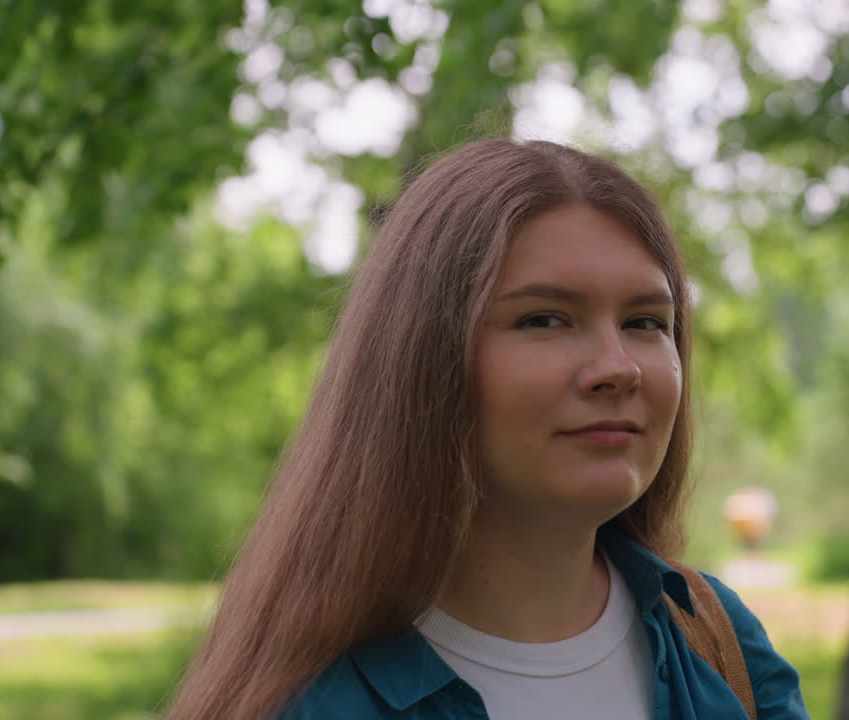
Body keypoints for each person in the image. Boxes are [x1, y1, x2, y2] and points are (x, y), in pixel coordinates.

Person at [166, 139, 808, 720]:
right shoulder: (309, 704)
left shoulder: (719, 644)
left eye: (646, 322)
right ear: (424, 360)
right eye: (544, 320)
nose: (617, 367)